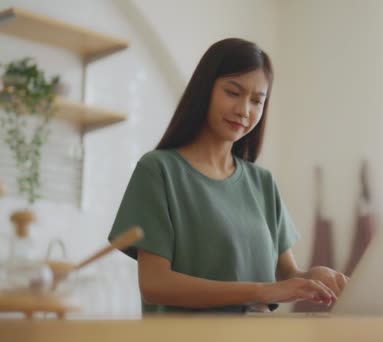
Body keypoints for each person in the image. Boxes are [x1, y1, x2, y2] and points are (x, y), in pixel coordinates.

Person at [108, 38, 348, 314]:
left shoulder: (263, 183)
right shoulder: (159, 171)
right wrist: (258, 291)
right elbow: (154, 284)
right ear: (204, 90)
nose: (244, 110)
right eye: (233, 92)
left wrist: (314, 277)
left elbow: (286, 275)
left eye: (257, 100)